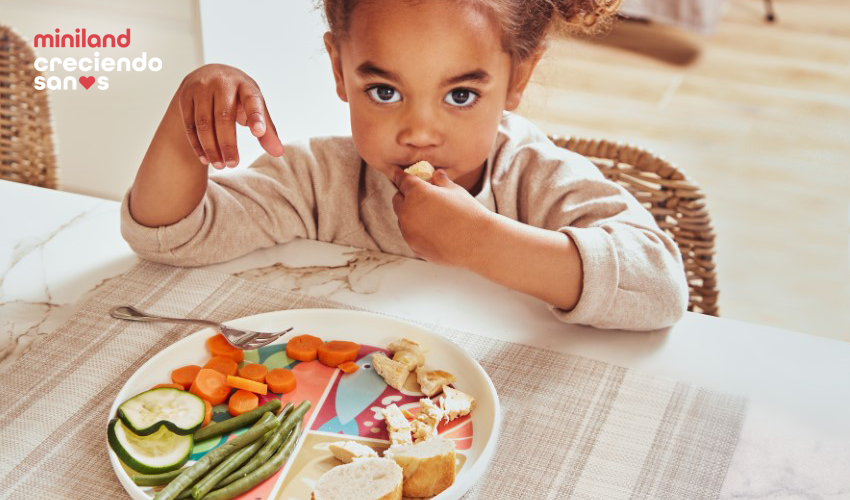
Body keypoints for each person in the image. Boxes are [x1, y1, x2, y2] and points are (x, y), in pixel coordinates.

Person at [121, 0, 688, 331]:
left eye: (460, 95)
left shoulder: (534, 177)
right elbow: (171, 238)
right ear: (339, 70)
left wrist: (481, 242)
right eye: (385, 91)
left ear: (517, 79)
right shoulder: (319, 180)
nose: (419, 133)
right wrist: (183, 119)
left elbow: (660, 288)